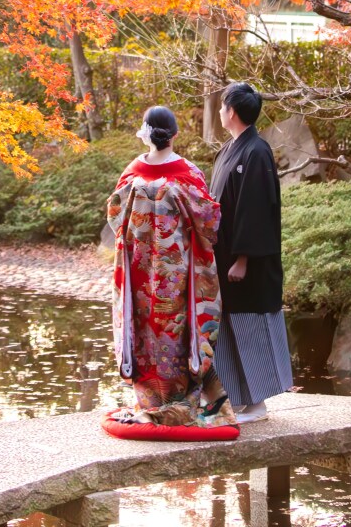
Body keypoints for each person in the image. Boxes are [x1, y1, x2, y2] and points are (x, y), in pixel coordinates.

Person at [106, 105, 236, 427]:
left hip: (138, 272)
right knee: (176, 330)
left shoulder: (131, 173)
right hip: (176, 272)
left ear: (145, 133)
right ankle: (180, 403)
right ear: (175, 134)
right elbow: (209, 222)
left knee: (142, 329)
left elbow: (114, 218)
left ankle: (149, 403)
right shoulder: (188, 173)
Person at [209, 81, 294, 423]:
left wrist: (243, 258)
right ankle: (243, 400)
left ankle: (258, 404)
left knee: (251, 327)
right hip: (225, 256)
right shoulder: (231, 149)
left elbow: (255, 209)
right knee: (230, 328)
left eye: (221, 106)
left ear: (231, 111)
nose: (219, 111)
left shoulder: (256, 152)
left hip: (247, 262)